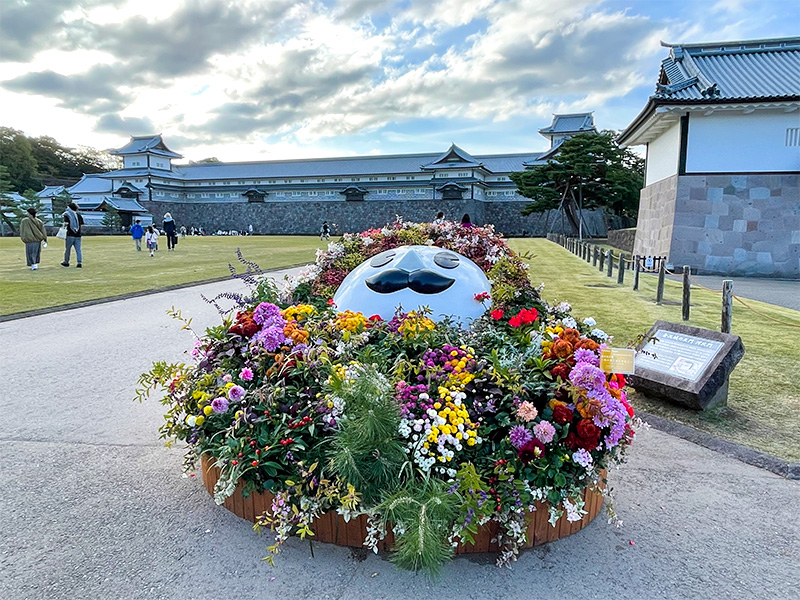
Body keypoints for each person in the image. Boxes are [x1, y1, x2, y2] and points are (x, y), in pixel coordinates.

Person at [61, 202, 84, 268]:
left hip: (70, 234)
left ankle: (66, 262)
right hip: (78, 235)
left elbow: (66, 223)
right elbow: (81, 225)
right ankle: (79, 262)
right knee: (78, 249)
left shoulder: (67, 215)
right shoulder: (78, 216)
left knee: (68, 249)